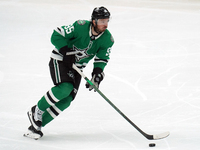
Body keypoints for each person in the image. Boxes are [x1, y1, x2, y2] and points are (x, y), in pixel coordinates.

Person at [24, 6, 114, 139]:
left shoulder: (107, 39)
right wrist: (64, 50)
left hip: (77, 68)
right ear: (93, 21)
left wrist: (97, 74)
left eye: (107, 21)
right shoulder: (80, 26)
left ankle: (36, 126)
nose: (105, 24)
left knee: (67, 100)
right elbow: (56, 34)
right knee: (65, 88)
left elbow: (102, 58)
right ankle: (36, 110)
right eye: (102, 21)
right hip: (60, 60)